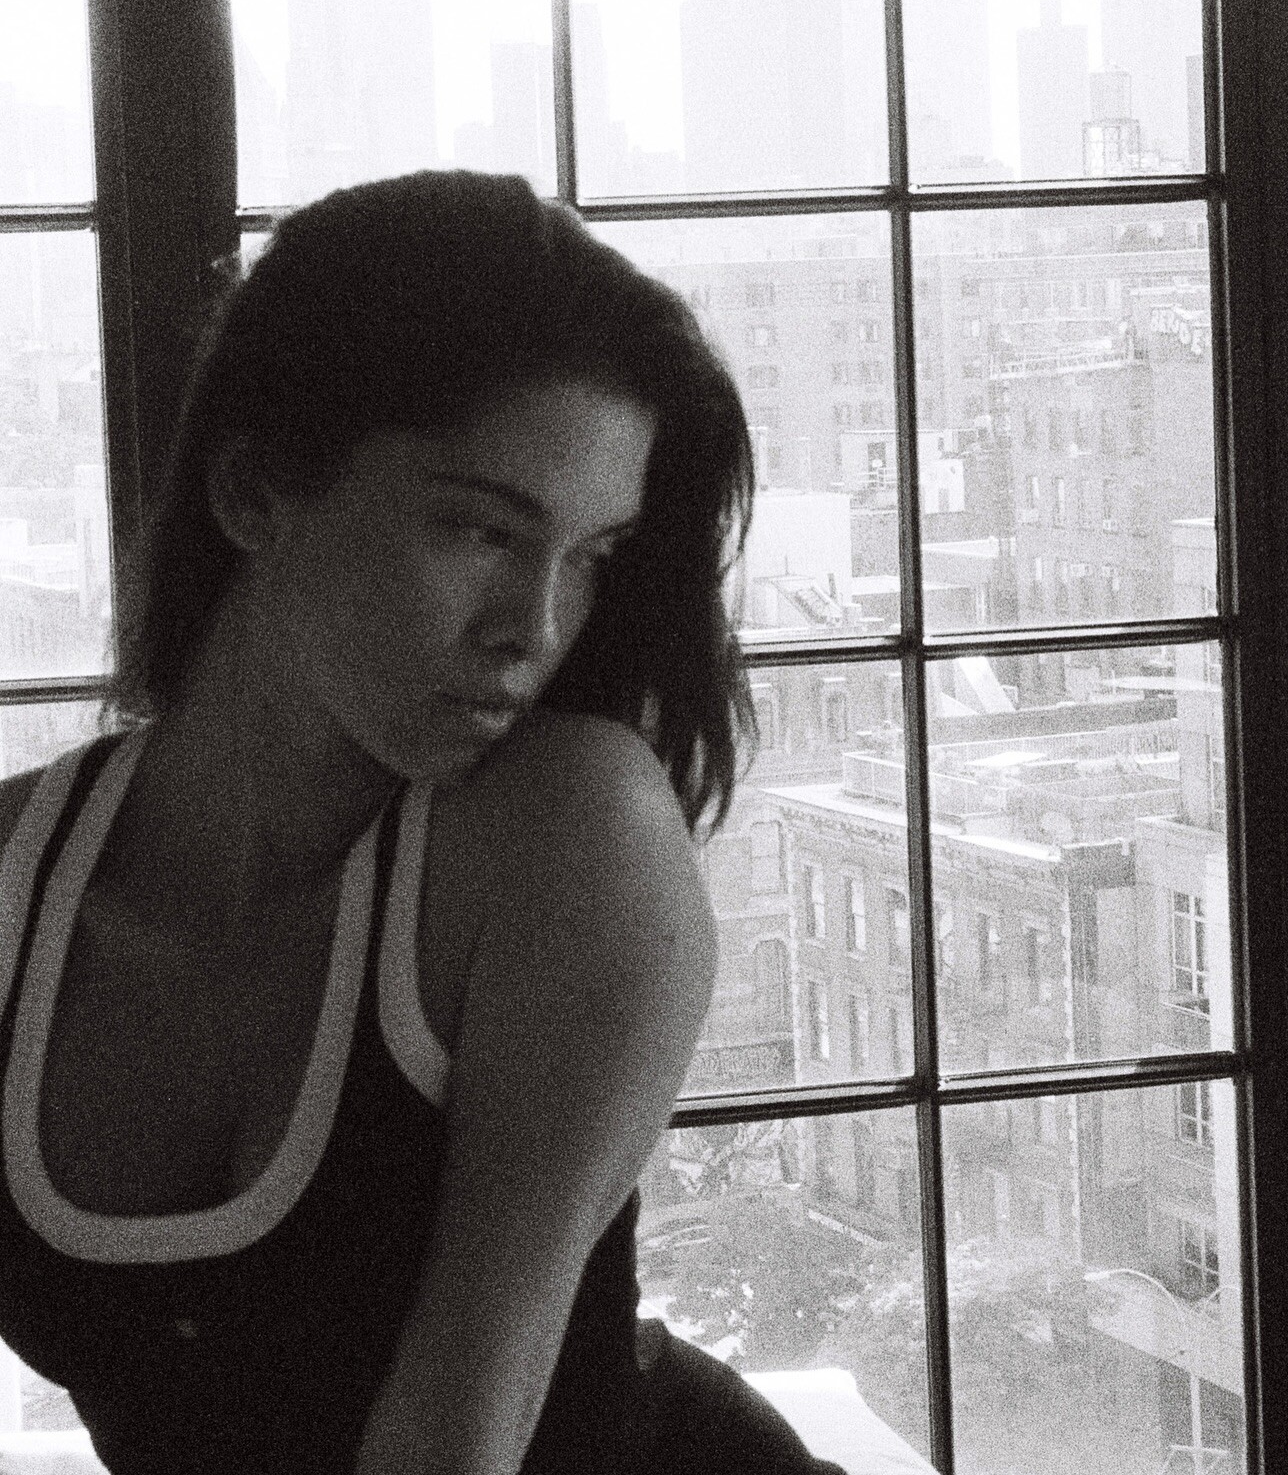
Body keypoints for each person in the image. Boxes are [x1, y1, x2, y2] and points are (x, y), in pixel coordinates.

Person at [0, 173, 848, 1473]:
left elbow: (455, 1441)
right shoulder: (18, 884)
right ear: (255, 492)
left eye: (591, 555)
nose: (536, 628)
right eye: (479, 531)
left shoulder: (568, 834)